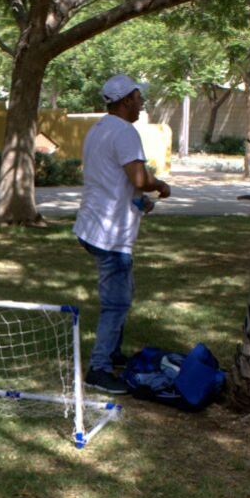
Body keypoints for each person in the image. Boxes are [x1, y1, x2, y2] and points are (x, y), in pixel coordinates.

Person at [72, 74, 170, 395]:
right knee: (116, 303)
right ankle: (99, 368)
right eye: (139, 98)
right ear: (126, 100)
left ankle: (113, 352)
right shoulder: (125, 132)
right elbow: (139, 178)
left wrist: (139, 203)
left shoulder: (98, 130)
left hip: (91, 226)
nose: (142, 104)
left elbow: (112, 180)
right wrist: (159, 186)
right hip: (109, 235)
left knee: (123, 291)